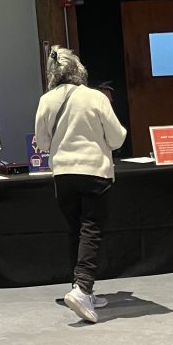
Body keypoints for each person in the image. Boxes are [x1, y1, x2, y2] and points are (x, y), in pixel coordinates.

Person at [34, 46, 128, 324]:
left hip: (62, 174)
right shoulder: (95, 97)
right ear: (78, 70)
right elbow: (117, 138)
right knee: (91, 229)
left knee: (75, 229)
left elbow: (43, 142)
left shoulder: (46, 100)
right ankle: (83, 289)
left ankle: (79, 286)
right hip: (94, 171)